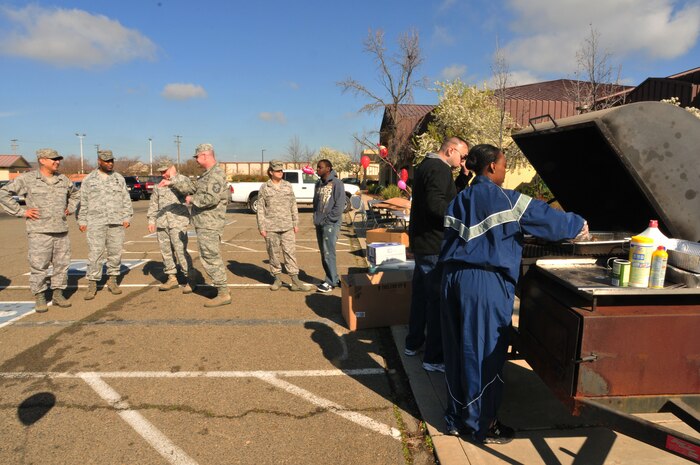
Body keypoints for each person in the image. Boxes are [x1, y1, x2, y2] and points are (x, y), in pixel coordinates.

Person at [439, 144, 589, 444]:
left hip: (451, 280)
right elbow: (549, 219)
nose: (506, 172)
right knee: (485, 355)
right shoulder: (506, 199)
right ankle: (483, 424)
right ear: (491, 167)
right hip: (484, 284)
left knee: (457, 352)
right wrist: (580, 223)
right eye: (505, 165)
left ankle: (457, 417)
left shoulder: (459, 200)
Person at [404, 136, 468, 373]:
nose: (463, 161)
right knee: (437, 300)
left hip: (423, 242)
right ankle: (433, 357)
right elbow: (436, 206)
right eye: (462, 156)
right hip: (433, 244)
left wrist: (462, 177)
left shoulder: (428, 166)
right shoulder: (439, 169)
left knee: (421, 295)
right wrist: (461, 219)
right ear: (450, 150)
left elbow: (447, 197)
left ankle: (413, 342)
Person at [0, 149, 80, 312]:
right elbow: (3, 193)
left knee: (62, 265)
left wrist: (70, 208)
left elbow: (76, 195)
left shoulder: (63, 179)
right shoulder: (28, 179)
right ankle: (40, 296)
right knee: (39, 265)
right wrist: (22, 212)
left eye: (58, 159)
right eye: (54, 159)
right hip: (39, 231)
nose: (57, 162)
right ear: (42, 160)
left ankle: (58, 294)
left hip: (61, 230)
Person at [161, 143, 231, 307]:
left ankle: (223, 293)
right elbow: (192, 187)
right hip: (205, 223)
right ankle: (223, 288)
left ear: (205, 155)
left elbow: (210, 199)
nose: (196, 160)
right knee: (209, 255)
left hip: (210, 224)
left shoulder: (216, 174)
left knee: (210, 257)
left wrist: (191, 200)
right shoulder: (207, 174)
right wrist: (173, 181)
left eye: (197, 157)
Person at [78, 149, 133, 300]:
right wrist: (82, 220)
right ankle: (92, 283)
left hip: (116, 221)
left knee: (115, 253)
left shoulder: (118, 178)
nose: (110, 164)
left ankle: (112, 280)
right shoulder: (89, 179)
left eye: (111, 161)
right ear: (99, 161)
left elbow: (125, 199)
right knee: (95, 253)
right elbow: (84, 202)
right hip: (96, 222)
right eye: (106, 161)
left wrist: (127, 216)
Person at [257, 160, 313, 292]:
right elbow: (260, 209)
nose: (280, 172)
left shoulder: (288, 185)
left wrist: (295, 223)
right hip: (271, 227)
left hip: (287, 226)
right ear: (271, 172)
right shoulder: (265, 188)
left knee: (290, 253)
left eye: (281, 170)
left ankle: (295, 281)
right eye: (277, 171)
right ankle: (277, 278)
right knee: (273, 254)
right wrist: (262, 227)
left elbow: (293, 204)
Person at [147, 164, 193, 293]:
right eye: (161, 172)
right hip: (162, 222)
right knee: (166, 251)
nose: (162, 174)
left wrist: (172, 181)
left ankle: (190, 278)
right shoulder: (159, 184)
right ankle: (171, 277)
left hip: (178, 222)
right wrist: (151, 220)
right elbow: (154, 203)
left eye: (165, 171)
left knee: (180, 251)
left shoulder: (182, 180)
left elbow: (189, 190)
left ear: (171, 168)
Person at [312, 159, 345, 293]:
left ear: (328, 169)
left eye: (320, 167)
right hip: (319, 223)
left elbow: (339, 205)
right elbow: (315, 203)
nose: (317, 170)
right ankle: (333, 278)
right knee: (324, 253)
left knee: (328, 253)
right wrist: (316, 218)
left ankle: (330, 282)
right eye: (317, 167)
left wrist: (328, 220)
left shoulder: (337, 183)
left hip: (330, 224)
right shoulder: (318, 184)